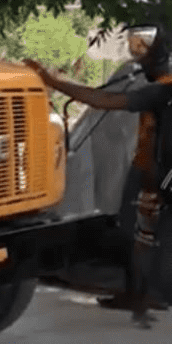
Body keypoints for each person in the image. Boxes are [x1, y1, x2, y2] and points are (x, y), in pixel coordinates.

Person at [24, 18, 172, 328]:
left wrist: (51, 81)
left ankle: (147, 296)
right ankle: (139, 296)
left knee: (144, 237)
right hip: (147, 168)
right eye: (133, 45)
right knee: (137, 235)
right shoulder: (157, 86)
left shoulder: (161, 90)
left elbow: (103, 100)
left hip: (155, 175)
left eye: (143, 46)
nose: (137, 52)